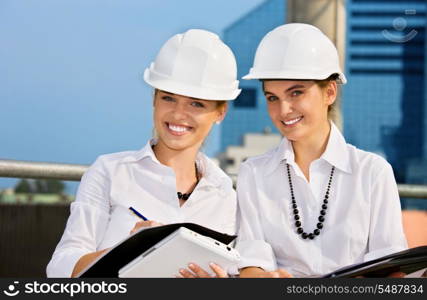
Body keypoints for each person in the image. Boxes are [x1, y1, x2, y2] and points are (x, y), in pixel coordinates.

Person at [46, 29, 241, 278]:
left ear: (220, 113)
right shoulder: (111, 171)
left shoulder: (224, 195)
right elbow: (60, 268)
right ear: (154, 100)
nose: (178, 114)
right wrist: (126, 250)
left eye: (196, 103)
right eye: (168, 98)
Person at [233, 23, 408, 278]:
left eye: (296, 93)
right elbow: (250, 264)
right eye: (272, 98)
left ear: (330, 92)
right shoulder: (254, 172)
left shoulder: (372, 172)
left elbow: (390, 271)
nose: (283, 110)